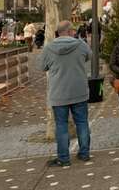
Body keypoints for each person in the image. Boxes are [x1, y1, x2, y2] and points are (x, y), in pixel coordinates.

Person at [37, 20, 92, 167]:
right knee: (82, 122)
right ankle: (85, 153)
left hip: (59, 92)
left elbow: (42, 66)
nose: (74, 32)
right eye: (73, 30)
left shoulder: (49, 48)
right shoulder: (80, 44)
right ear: (68, 31)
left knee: (61, 125)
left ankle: (63, 158)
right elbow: (89, 56)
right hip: (79, 90)